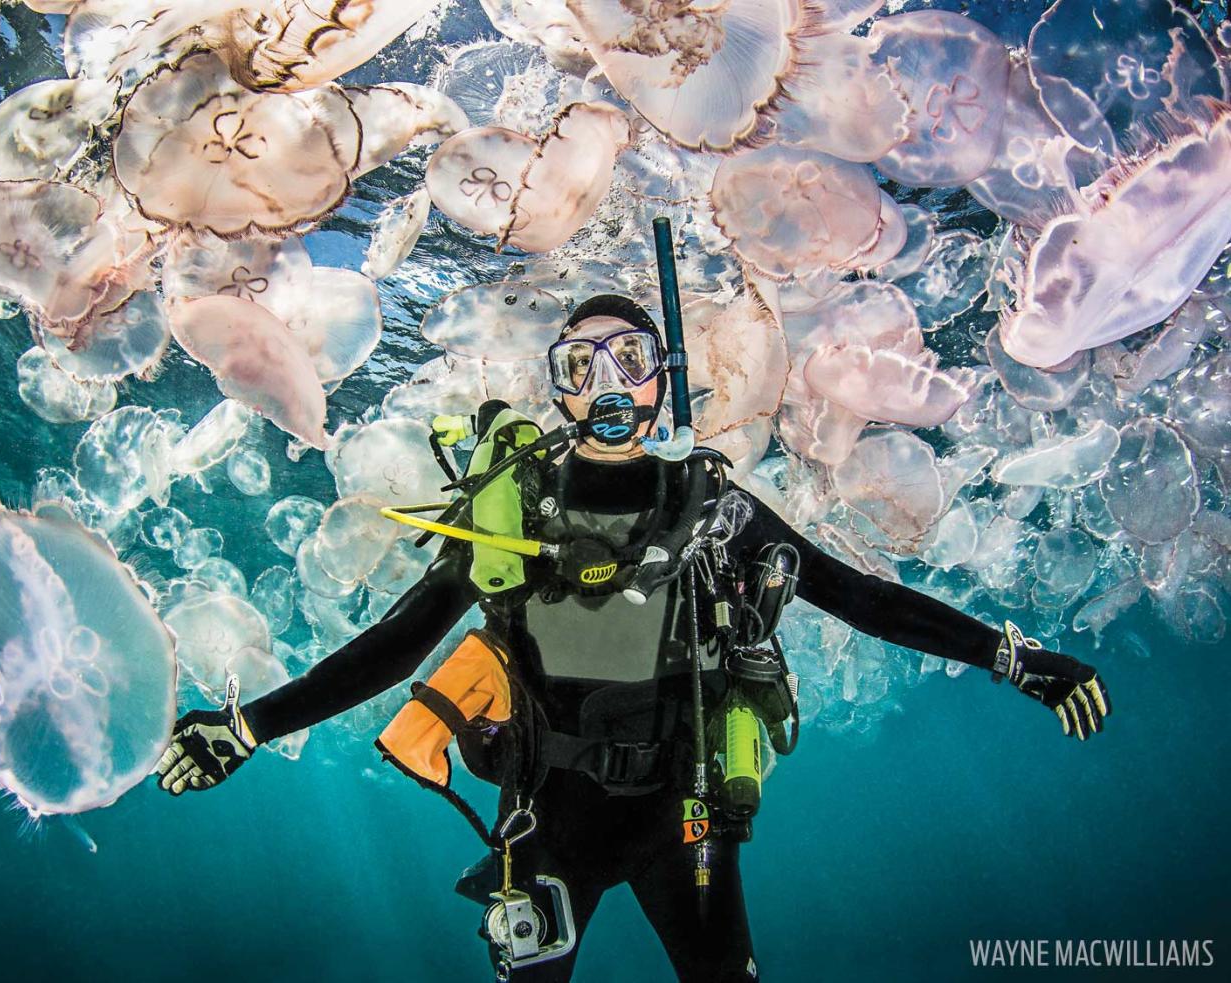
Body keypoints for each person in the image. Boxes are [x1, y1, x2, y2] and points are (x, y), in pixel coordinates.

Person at [156, 295, 1112, 982]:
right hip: (545, 823)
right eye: (581, 367)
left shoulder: (711, 509)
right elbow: (391, 647)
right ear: (558, 392)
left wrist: (1015, 658)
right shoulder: (509, 515)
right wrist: (246, 728)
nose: (608, 386)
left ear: (663, 384)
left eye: (631, 361)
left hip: (682, 820)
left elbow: (858, 596)